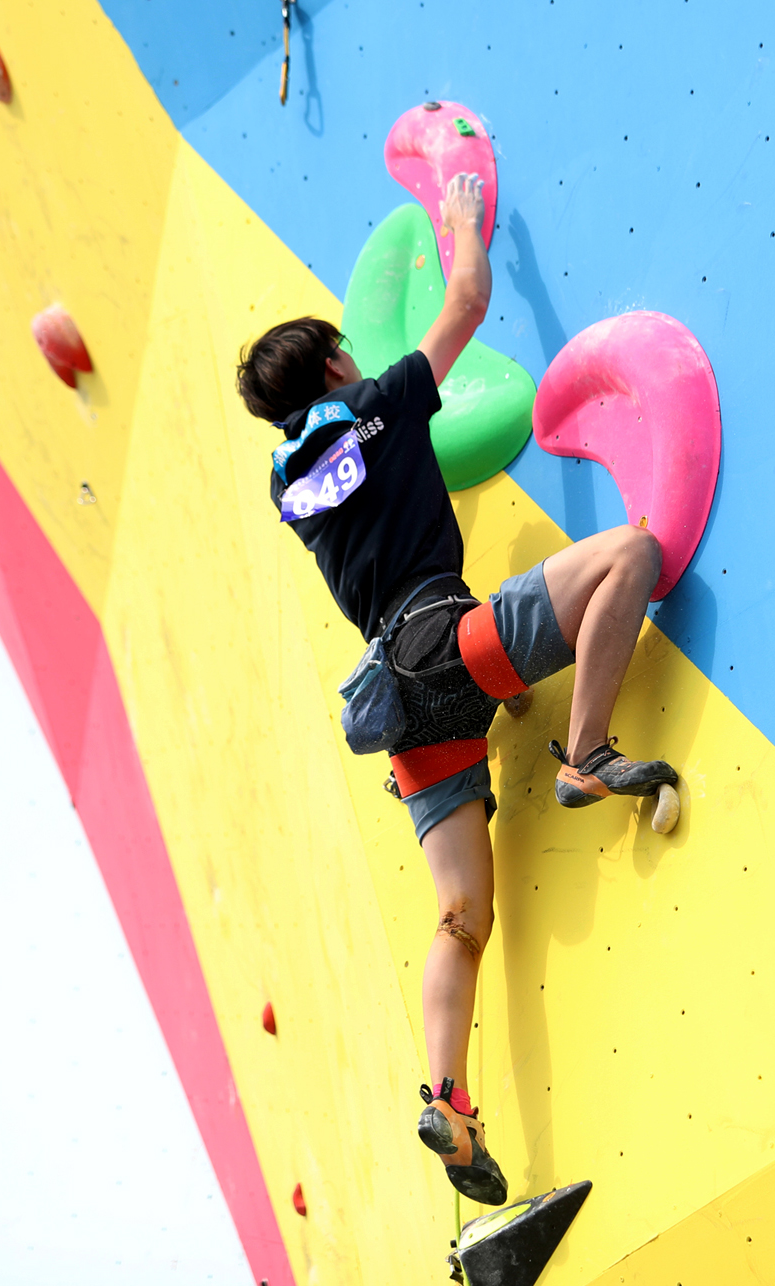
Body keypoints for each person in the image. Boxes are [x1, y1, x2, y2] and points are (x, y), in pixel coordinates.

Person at [235, 173, 677, 1205]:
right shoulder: (378, 404)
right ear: (335, 363)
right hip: (448, 641)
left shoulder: (292, 482)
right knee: (630, 555)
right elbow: (468, 300)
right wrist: (464, 215)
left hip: (403, 705)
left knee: (461, 916)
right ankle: (589, 753)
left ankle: (451, 1100)